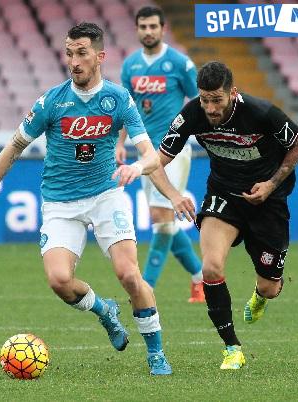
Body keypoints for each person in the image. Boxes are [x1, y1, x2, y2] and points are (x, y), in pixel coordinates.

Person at [0, 22, 176, 375]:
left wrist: (137, 167)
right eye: (69, 53)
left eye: (81, 53)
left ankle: (156, 353)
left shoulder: (118, 98)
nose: (74, 61)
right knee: (59, 281)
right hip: (60, 203)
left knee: (129, 275)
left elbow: (150, 154)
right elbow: (14, 147)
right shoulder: (52, 101)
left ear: (100, 56)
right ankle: (104, 311)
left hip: (106, 196)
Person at [157, 61, 298, 369]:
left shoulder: (261, 112)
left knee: (270, 287)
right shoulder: (191, 114)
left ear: (232, 93)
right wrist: (173, 195)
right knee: (211, 267)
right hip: (223, 195)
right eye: (205, 100)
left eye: (217, 100)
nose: (211, 108)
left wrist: (271, 184)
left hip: (267, 200)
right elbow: (155, 161)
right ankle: (232, 348)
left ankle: (261, 295)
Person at [117, 6, 205, 303]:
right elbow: (126, 109)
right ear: (137, 29)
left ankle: (146, 286)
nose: (148, 31)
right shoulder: (131, 65)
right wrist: (120, 143)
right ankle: (201, 278)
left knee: (160, 217)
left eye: (153, 26)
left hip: (173, 149)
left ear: (163, 28)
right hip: (144, 151)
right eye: (143, 26)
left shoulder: (179, 63)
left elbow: (200, 101)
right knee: (164, 222)